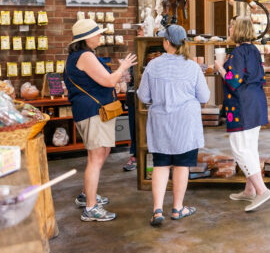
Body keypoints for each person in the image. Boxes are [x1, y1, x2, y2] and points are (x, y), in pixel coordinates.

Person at [137, 24, 210, 226]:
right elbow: (204, 96)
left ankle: (157, 210)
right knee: (181, 165)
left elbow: (143, 96)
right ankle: (178, 208)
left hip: (160, 122)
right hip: (185, 124)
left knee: (160, 164)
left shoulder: (153, 66)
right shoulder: (193, 67)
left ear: (166, 42)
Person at [65, 19, 137, 222]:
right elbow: (108, 81)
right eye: (97, 33)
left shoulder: (81, 56)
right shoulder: (86, 56)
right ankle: (90, 208)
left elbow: (101, 81)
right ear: (86, 37)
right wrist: (122, 68)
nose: (100, 36)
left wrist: (116, 76)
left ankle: (86, 194)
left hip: (95, 111)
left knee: (102, 151)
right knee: (96, 158)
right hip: (93, 112)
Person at [214, 16, 270, 211]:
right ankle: (250, 190)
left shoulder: (238, 52)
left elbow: (233, 80)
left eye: (231, 27)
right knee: (250, 147)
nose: (229, 30)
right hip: (255, 102)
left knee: (240, 148)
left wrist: (220, 69)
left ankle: (262, 190)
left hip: (243, 105)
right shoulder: (254, 50)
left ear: (238, 30)